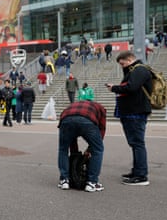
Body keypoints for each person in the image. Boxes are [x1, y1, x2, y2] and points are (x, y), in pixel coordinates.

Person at [106, 50, 152, 186]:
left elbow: (131, 88)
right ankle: (137, 171)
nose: (122, 66)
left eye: (123, 63)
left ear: (130, 59)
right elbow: (131, 86)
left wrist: (115, 88)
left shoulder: (140, 70)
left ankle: (141, 175)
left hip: (135, 112)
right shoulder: (135, 71)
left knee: (137, 143)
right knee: (135, 143)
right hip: (132, 112)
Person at [57, 100, 106, 192]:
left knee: (63, 149)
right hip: (87, 121)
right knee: (98, 149)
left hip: (66, 120)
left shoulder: (72, 105)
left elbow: (71, 138)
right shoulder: (100, 107)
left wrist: (74, 153)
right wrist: (90, 149)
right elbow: (102, 130)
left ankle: (64, 180)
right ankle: (92, 182)